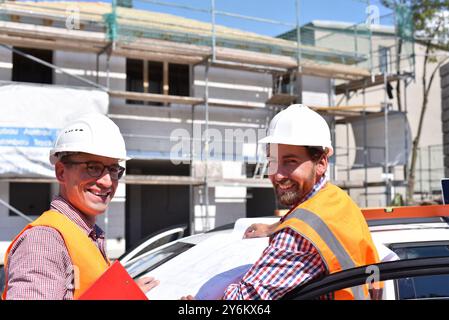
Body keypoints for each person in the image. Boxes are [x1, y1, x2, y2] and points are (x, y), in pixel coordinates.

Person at [189, 104, 380, 300]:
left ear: (321, 163)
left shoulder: (297, 237)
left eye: (290, 162)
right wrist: (276, 226)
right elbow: (316, 224)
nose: (278, 175)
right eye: (272, 162)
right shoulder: (337, 200)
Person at [2, 113, 158, 300]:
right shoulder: (44, 242)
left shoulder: (88, 236)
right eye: (93, 167)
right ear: (61, 172)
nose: (108, 182)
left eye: (113, 169)